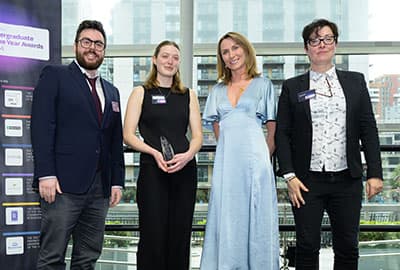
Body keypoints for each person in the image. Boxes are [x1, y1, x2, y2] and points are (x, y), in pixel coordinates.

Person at [275, 18, 383, 270]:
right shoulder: (293, 87)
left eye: (327, 38)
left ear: (335, 44)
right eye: (314, 40)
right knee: (307, 246)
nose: (321, 44)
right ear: (306, 48)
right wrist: (289, 176)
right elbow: (282, 133)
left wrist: (375, 174)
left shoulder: (355, 81)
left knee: (347, 247)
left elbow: (368, 129)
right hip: (305, 181)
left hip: (348, 179)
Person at [31, 20, 125, 270]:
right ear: (76, 46)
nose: (92, 48)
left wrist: (116, 181)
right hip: (62, 185)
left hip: (100, 188)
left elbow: (115, 141)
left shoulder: (112, 91)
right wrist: (46, 174)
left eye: (98, 44)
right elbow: (41, 128)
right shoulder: (55, 76)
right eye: (87, 42)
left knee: (87, 258)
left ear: (104, 50)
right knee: (52, 256)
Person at [200, 32, 279, 269]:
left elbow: (272, 134)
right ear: (222, 58)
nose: (231, 54)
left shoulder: (264, 85)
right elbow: (219, 133)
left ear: (245, 50)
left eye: (235, 48)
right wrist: (230, 157)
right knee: (227, 217)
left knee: (257, 218)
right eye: (225, 51)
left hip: (257, 163)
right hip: (227, 165)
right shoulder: (216, 91)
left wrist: (261, 162)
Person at [123, 40, 203, 270]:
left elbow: (197, 136)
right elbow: (128, 135)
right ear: (155, 60)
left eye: (175, 57)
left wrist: (187, 155)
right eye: (165, 56)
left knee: (180, 236)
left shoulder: (189, 95)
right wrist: (153, 152)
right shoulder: (141, 92)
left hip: (185, 170)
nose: (170, 61)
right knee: (152, 236)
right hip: (153, 170)